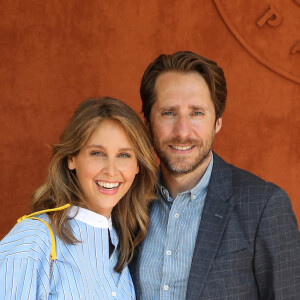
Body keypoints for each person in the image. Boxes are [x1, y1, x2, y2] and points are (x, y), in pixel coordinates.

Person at [129, 51, 300, 299]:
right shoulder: (128, 201)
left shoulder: (264, 206)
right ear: (147, 122)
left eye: (197, 113)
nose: (182, 131)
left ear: (217, 122)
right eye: (169, 113)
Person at [0, 97, 157, 299]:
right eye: (97, 153)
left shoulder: (122, 246)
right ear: (72, 158)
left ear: (138, 166)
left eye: (124, 155)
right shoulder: (33, 239)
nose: (111, 170)